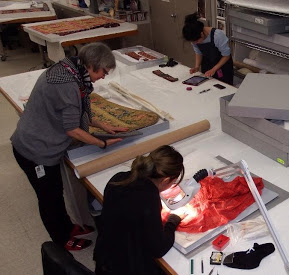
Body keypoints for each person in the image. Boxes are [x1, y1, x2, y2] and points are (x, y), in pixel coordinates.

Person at [11, 42, 127, 250]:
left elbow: (78, 109)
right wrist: (101, 143)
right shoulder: (67, 85)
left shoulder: (71, 70)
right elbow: (72, 129)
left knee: (56, 190)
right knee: (49, 198)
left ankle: (66, 226)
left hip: (41, 144)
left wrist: (102, 125)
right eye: (104, 71)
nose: (105, 76)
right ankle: (61, 239)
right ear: (92, 65)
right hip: (34, 150)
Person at [94, 145, 185, 275]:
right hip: (123, 268)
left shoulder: (119, 178)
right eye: (173, 182)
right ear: (165, 180)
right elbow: (158, 248)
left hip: (104, 256)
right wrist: (172, 222)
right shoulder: (148, 199)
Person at [182, 12, 234, 85]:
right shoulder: (194, 38)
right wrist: (197, 67)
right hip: (207, 66)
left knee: (223, 88)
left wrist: (214, 69)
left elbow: (226, 55)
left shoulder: (217, 35)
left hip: (222, 67)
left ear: (201, 34)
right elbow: (198, 52)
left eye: (196, 41)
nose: (195, 43)